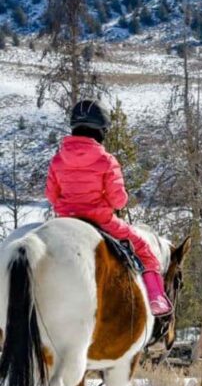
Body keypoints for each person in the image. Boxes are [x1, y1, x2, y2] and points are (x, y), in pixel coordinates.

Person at [45, 100, 172, 317]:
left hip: (65, 221)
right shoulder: (106, 160)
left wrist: (67, 206)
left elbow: (50, 195)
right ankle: (155, 298)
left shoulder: (58, 158)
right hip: (101, 220)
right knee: (142, 246)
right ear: (101, 131)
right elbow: (118, 201)